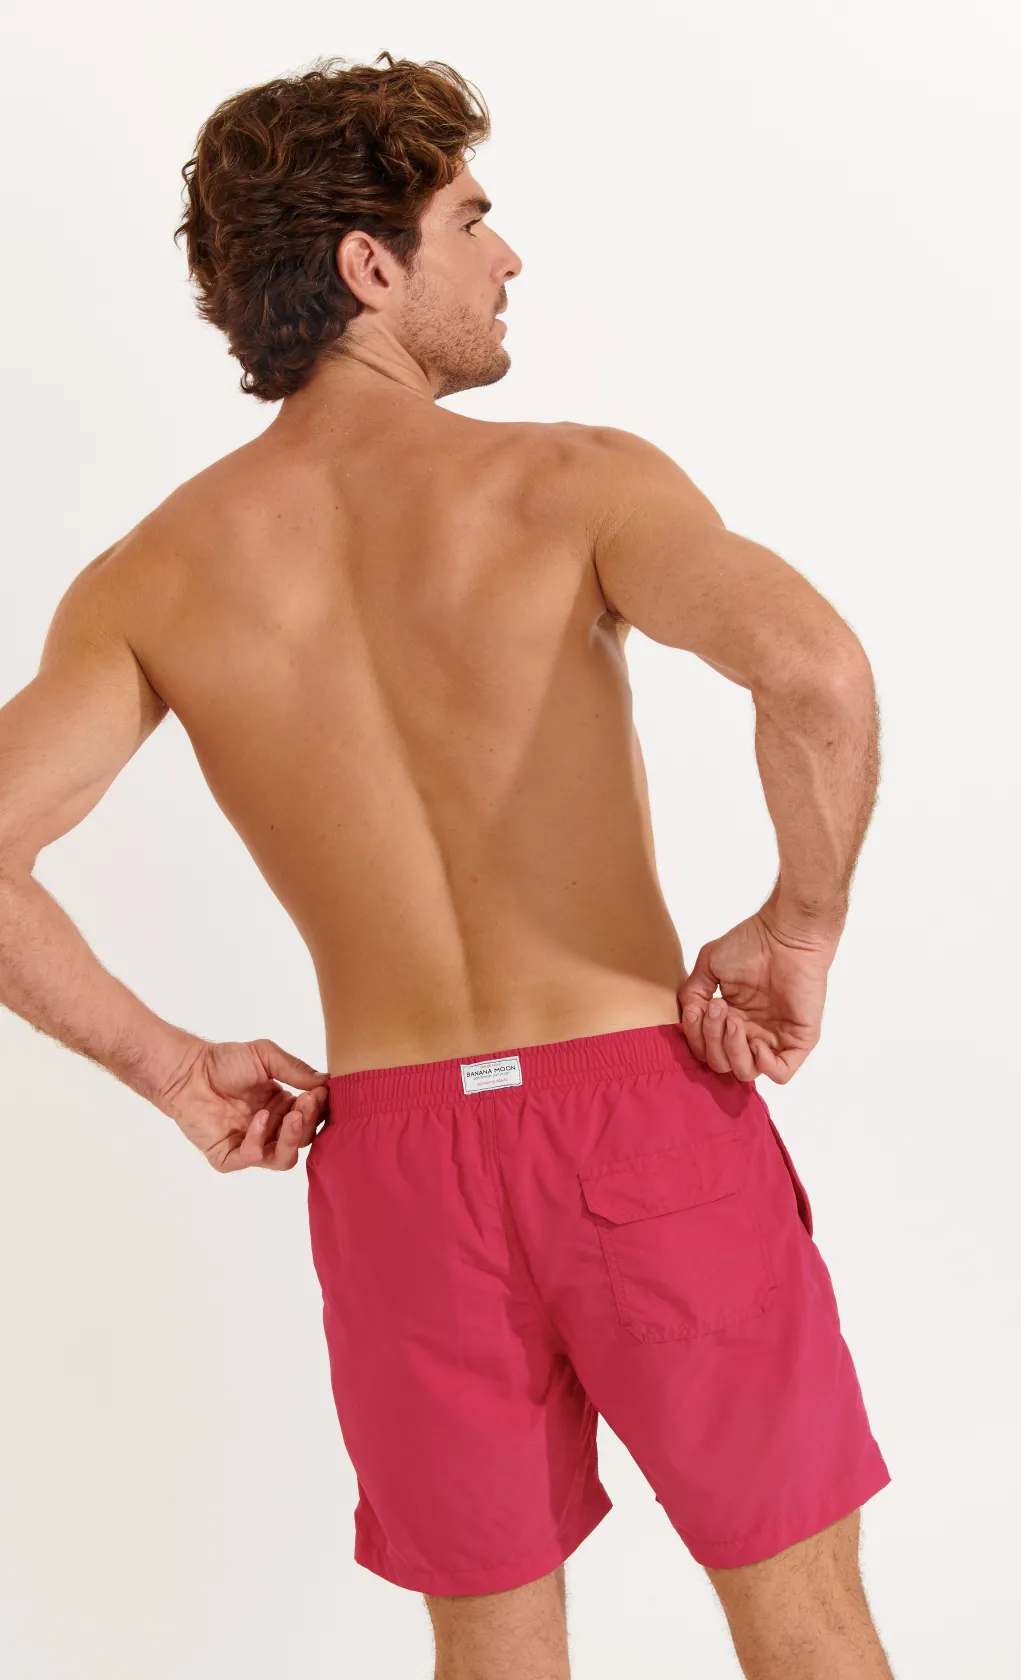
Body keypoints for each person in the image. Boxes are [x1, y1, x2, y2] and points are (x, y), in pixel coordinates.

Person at [0, 53, 893, 1680]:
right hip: (640, 1123)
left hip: (400, 1165)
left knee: (489, 1655)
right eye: (471, 220)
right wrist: (802, 924)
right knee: (806, 1623)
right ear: (370, 266)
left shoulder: (152, 575)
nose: (508, 257)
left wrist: (170, 1066)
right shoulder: (572, 482)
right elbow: (815, 671)